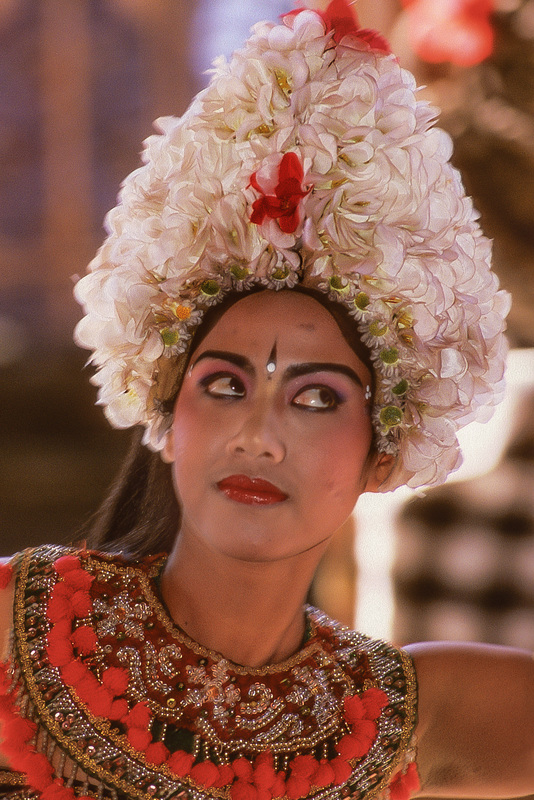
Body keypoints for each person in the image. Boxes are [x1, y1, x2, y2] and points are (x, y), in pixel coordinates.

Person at [0, 2, 532, 799]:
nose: (259, 436)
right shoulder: (17, 625)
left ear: (383, 454)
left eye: (315, 399)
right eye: (224, 385)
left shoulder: (412, 717)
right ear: (168, 421)